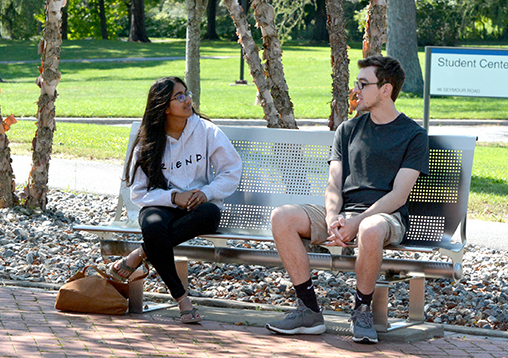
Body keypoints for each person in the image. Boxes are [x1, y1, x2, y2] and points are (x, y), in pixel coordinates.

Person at [265, 56, 429, 343]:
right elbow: (334, 183)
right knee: (282, 216)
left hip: (384, 217)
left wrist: (355, 222)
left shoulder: (413, 135)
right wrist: (332, 218)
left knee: (370, 228)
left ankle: (361, 312)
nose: (356, 90)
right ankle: (308, 310)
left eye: (363, 84)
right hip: (344, 214)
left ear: (386, 90)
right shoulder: (348, 130)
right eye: (357, 83)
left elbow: (398, 195)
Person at [107, 76, 242, 324]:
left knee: (210, 215)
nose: (187, 99)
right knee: (153, 225)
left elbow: (231, 170)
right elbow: (139, 193)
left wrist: (206, 192)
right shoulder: (148, 141)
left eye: (186, 93)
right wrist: (173, 197)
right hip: (161, 205)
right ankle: (182, 299)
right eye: (179, 96)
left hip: (198, 207)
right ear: (165, 107)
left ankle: (139, 254)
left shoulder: (206, 130)